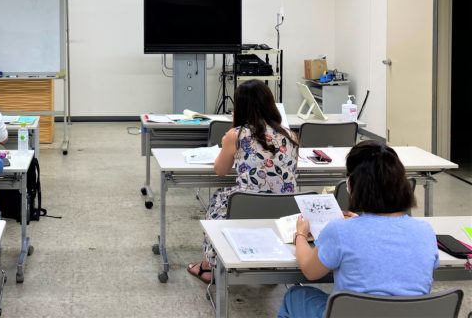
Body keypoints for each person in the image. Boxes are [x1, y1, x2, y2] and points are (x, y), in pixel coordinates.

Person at [278, 140, 438, 318]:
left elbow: (310, 270)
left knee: (295, 296)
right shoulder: (425, 231)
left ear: (353, 185)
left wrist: (300, 233)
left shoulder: (340, 230)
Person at [187, 80, 299, 283]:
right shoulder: (291, 136)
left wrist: (225, 144)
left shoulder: (236, 135)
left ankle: (207, 266)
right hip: (285, 208)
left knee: (219, 200)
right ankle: (268, 264)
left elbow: (220, 171)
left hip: (246, 205)